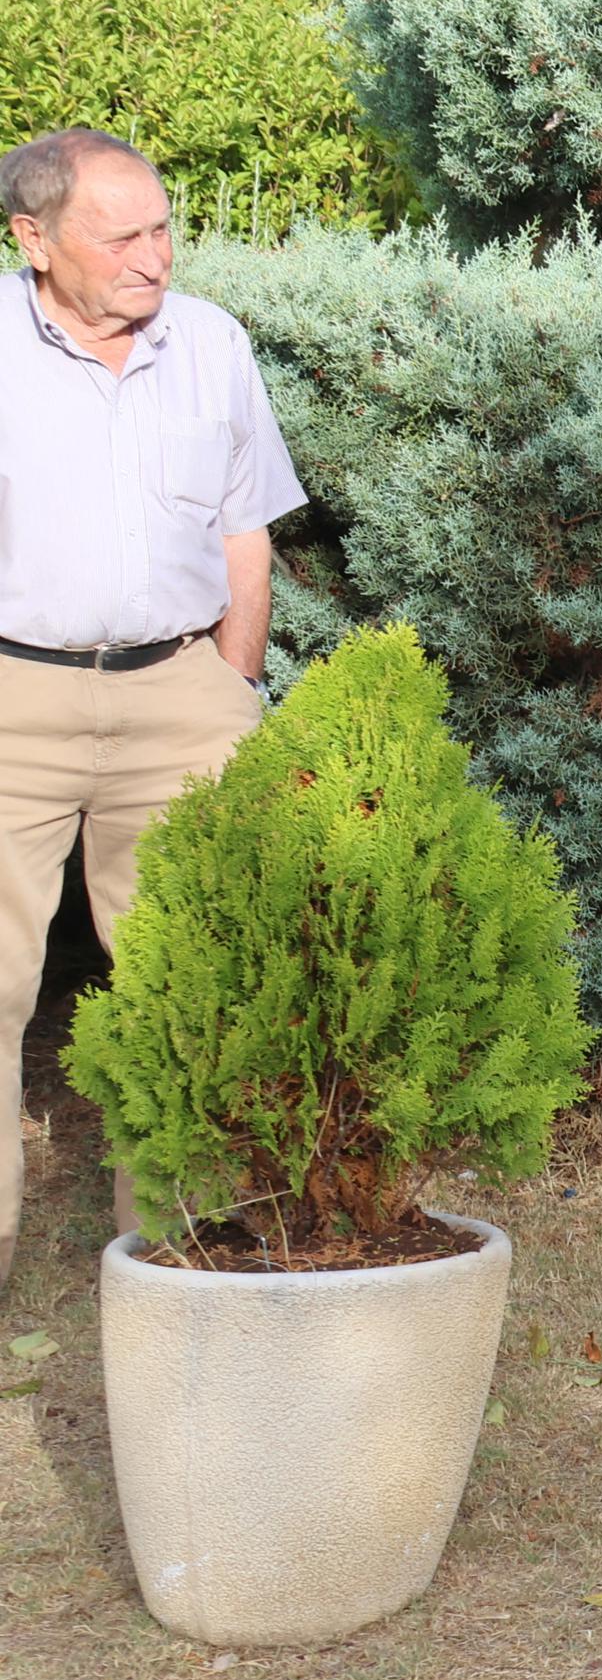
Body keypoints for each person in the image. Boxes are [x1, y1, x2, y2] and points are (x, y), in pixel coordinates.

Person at [0, 128, 302, 1287]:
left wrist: (225, 686)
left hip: (181, 697)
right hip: (15, 697)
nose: (153, 256)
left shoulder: (212, 344)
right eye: (119, 234)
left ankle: (181, 1262)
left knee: (193, 988)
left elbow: (244, 532)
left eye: (164, 227)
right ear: (33, 239)